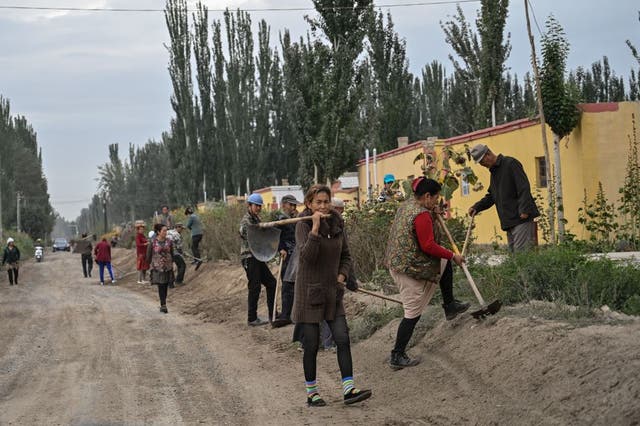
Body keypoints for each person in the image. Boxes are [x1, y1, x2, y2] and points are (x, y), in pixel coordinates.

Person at [293, 184, 371, 407]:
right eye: (318, 202)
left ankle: (348, 389)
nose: (323, 206)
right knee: (311, 344)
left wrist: (342, 276)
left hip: (332, 291)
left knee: (342, 338)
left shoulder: (337, 222)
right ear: (309, 204)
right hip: (309, 292)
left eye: (326, 201)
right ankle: (312, 393)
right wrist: (315, 230)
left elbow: (345, 255)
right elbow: (307, 257)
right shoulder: (302, 225)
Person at [385, 177, 470, 370]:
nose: (437, 201)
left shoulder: (408, 205)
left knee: (443, 262)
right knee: (413, 310)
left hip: (401, 261)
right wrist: (453, 255)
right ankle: (397, 355)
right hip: (406, 267)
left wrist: (433, 212)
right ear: (426, 196)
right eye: (435, 198)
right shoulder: (421, 214)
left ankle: (450, 305)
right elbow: (428, 245)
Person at [468, 144, 540, 252]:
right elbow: (492, 196)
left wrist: (524, 210)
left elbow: (523, 187)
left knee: (522, 258)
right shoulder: (494, 172)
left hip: (521, 219)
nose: (482, 165)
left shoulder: (510, 163)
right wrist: (477, 207)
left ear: (488, 154)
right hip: (509, 222)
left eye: (482, 162)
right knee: (515, 261)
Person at [239, 193, 276, 326]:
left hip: (258, 257)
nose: (258, 208)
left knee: (272, 283)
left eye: (260, 206)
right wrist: (260, 228)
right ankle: (252, 318)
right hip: (249, 257)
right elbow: (245, 232)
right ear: (249, 206)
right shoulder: (246, 221)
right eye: (256, 206)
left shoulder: (256, 219)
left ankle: (273, 314)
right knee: (254, 287)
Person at [271, 194, 302, 328]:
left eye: (295, 205)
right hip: (286, 255)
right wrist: (281, 248)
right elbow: (276, 236)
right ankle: (285, 314)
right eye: (291, 205)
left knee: (295, 284)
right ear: (284, 205)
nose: (294, 207)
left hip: (295, 254)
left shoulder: (293, 218)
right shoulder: (280, 219)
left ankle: (293, 313)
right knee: (287, 284)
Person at [146, 223, 174, 313]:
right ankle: (163, 304)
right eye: (164, 231)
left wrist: (173, 262)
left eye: (166, 230)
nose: (166, 232)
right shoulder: (153, 242)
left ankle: (163, 303)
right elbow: (148, 255)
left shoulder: (169, 241)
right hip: (157, 268)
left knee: (165, 285)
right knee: (161, 285)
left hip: (167, 267)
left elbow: (172, 253)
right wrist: (149, 265)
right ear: (158, 232)